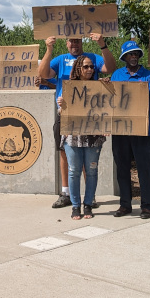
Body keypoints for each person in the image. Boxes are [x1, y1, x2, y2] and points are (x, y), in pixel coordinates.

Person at [38, 34, 116, 208]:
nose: (74, 44)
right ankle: (65, 193)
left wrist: (102, 44)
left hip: (90, 115)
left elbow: (110, 68)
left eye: (77, 41)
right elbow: (43, 73)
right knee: (65, 152)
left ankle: (90, 197)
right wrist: (49, 49)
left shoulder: (92, 58)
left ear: (82, 42)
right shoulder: (60, 60)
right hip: (65, 114)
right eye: (71, 41)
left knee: (88, 156)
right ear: (66, 43)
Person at [109, 40, 150, 219]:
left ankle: (147, 206)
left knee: (145, 169)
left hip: (142, 131)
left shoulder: (148, 76)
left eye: (136, 54)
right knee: (122, 169)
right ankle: (125, 205)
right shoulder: (117, 75)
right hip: (120, 131)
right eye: (130, 54)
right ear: (124, 57)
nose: (133, 56)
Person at [56, 55, 106, 220]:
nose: (90, 70)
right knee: (74, 171)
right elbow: (61, 113)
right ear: (78, 68)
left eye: (92, 67)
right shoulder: (69, 87)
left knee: (91, 171)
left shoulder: (99, 87)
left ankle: (88, 204)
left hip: (93, 137)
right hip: (73, 137)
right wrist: (62, 106)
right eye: (86, 67)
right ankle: (76, 206)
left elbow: (105, 109)